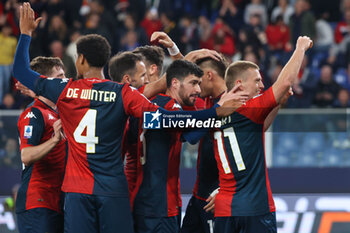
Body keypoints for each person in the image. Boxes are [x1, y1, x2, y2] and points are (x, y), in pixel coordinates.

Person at [13, 3, 242, 233]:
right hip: (113, 191)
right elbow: (163, 119)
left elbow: (21, 71)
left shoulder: (65, 90)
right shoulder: (123, 93)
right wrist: (214, 112)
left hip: (77, 191)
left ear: (81, 60)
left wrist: (25, 33)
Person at [212, 36, 312, 233]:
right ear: (239, 84)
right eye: (257, 80)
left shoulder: (216, 111)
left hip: (225, 210)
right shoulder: (248, 109)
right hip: (254, 208)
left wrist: (277, 104)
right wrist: (300, 47)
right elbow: (285, 82)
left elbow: (258, 128)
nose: (261, 85)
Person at [16, 56, 67, 233]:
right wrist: (54, 140)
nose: (64, 81)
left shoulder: (59, 112)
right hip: (38, 201)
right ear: (44, 82)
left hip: (57, 201)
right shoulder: (34, 113)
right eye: (59, 77)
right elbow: (27, 156)